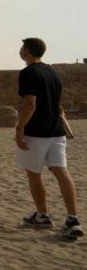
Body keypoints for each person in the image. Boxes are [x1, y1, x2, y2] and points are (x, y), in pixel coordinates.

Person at [15, 38, 83, 238]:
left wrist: (20, 128)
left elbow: (30, 103)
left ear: (27, 51)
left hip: (36, 131)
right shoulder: (53, 72)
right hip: (56, 131)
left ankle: (42, 216)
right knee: (62, 173)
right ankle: (72, 218)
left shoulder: (28, 72)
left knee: (34, 173)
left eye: (22, 47)